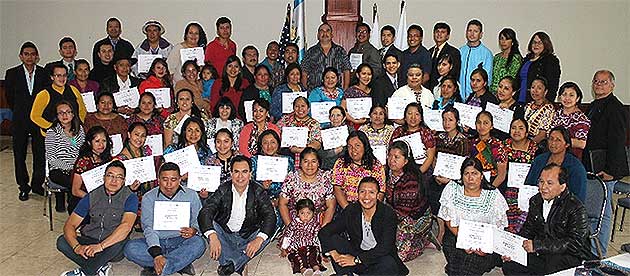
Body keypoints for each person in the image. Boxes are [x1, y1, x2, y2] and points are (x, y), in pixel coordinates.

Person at [502, 164, 595, 275]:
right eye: (541, 182)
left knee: (552, 265)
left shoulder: (575, 207)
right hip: (543, 251)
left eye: (549, 183)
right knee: (510, 264)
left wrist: (538, 246)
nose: (543, 187)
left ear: (562, 186)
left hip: (569, 255)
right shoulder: (536, 201)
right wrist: (514, 249)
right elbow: (528, 230)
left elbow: (575, 244)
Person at [199, 155, 277, 276]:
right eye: (236, 172)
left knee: (266, 235)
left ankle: (229, 266)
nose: (240, 177)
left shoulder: (258, 190)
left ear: (250, 174)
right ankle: (239, 263)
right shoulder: (223, 189)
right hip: (226, 235)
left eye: (244, 172)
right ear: (231, 174)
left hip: (248, 235)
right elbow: (206, 211)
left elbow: (270, 216)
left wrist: (258, 239)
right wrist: (212, 236)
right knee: (210, 226)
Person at [57, 161, 137, 276]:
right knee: (62, 241)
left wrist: (100, 247)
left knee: (122, 239)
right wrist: (77, 247)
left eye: (119, 177)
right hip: (91, 238)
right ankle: (100, 266)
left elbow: (126, 226)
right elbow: (70, 225)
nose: (114, 180)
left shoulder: (130, 197)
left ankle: (86, 272)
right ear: (104, 178)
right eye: (110, 176)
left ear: (124, 181)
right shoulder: (92, 195)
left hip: (112, 244)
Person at [124, 162, 205, 276]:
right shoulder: (149, 197)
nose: (169, 184)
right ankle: (178, 263)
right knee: (130, 248)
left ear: (179, 179)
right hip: (157, 241)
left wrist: (194, 230)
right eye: (165, 179)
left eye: (173, 179)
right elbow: (148, 227)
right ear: (158, 179)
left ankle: (162, 267)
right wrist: (157, 254)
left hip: (181, 239)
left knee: (199, 243)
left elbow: (198, 220)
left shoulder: (191, 195)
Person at [319, 177, 410, 276]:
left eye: (371, 192)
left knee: (389, 264)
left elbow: (385, 247)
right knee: (335, 239)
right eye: (362, 192)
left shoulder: (387, 214)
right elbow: (325, 231)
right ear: (357, 194)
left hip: (377, 258)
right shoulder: (352, 210)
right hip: (357, 253)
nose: (366, 197)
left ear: (378, 195)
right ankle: (345, 273)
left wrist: (357, 260)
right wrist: (334, 254)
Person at [584, 70, 630, 256]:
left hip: (606, 169)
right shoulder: (594, 105)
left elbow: (618, 142)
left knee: (602, 213)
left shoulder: (616, 108)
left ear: (612, 85)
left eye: (603, 82)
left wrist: (611, 170)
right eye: (596, 81)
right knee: (592, 210)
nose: (599, 85)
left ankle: (599, 253)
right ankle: (590, 249)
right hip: (592, 167)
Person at [438, 157, 508, 276]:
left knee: (468, 267)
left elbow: (499, 227)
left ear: (481, 176)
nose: (470, 178)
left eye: (475, 173)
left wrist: (485, 247)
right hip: (456, 235)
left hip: (485, 243)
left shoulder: (493, 194)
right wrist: (464, 240)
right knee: (459, 265)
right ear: (462, 176)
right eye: (467, 174)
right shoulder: (452, 188)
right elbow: (448, 219)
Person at [4, 41, 49, 201]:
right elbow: (10, 97)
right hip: (20, 120)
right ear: (21, 56)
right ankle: (23, 187)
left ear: (37, 57)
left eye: (32, 54)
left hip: (38, 120)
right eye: (26, 54)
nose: (30, 57)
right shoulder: (12, 73)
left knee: (40, 154)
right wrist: (20, 111)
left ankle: (37, 185)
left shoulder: (44, 73)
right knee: (19, 154)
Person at [385, 141, 432, 262]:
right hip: (394, 212)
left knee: (398, 257)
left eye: (397, 157)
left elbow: (402, 214)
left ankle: (422, 240)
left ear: (406, 161)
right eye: (390, 156)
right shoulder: (387, 173)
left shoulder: (411, 180)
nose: (392, 160)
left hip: (415, 217)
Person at [430, 107, 470, 242]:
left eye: (450, 120)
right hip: (439, 176)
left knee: (446, 194)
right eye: (444, 120)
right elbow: (434, 158)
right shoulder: (439, 137)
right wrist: (437, 174)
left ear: (457, 121)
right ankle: (439, 227)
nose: (447, 123)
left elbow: (463, 165)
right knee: (430, 191)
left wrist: (449, 180)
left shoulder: (462, 140)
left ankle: (442, 232)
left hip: (456, 179)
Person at [526, 126, 587, 201]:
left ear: (567, 144)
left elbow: (578, 198)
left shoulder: (575, 167)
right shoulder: (539, 160)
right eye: (551, 139)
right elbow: (528, 186)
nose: (553, 143)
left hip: (564, 208)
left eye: (558, 140)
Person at [279, 147, 335, 227]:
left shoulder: (326, 177)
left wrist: (323, 229)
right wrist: (290, 227)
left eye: (313, 161)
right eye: (306, 161)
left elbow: (331, 206)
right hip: (295, 221)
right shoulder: (292, 177)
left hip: (320, 222)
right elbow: (282, 204)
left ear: (318, 163)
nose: (309, 165)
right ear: (300, 163)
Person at [45, 101, 85, 213]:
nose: (64, 115)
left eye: (68, 112)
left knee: (81, 182)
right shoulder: (52, 132)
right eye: (61, 113)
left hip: (78, 169)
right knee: (76, 185)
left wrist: (78, 168)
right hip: (58, 170)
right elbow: (52, 159)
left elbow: (83, 152)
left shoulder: (80, 129)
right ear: (57, 116)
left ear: (73, 114)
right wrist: (71, 168)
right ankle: (74, 213)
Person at [501, 118, 538, 233]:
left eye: (521, 128)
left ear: (527, 133)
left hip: (528, 187)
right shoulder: (504, 145)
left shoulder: (536, 148)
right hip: (507, 185)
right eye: (513, 128)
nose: (517, 131)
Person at [115, 123, 155, 228]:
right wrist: (130, 188)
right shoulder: (119, 159)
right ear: (129, 135)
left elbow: (151, 176)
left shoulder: (146, 151)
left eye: (143, 136)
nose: (139, 139)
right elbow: (114, 187)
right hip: (128, 196)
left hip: (146, 193)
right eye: (136, 134)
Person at [333, 131, 386, 209]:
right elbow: (337, 188)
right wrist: (348, 210)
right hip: (346, 206)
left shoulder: (375, 165)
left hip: (370, 206)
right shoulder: (341, 163)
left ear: (365, 146)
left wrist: (368, 209)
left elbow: (381, 192)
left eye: (357, 146)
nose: (353, 150)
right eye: (349, 146)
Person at [31, 63, 87, 136]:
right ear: (52, 77)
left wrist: (78, 124)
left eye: (64, 75)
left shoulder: (73, 90)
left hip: (73, 133)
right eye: (58, 75)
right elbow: (35, 116)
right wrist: (52, 127)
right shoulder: (44, 94)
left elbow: (82, 109)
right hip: (51, 135)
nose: (62, 78)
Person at [70, 126, 113, 214]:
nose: (101, 145)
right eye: (97, 141)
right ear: (89, 143)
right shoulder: (84, 161)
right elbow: (75, 190)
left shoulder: (107, 159)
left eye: (104, 141)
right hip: (84, 199)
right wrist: (94, 200)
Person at [251, 130, 295, 216]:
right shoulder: (254, 161)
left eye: (273, 142)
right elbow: (248, 184)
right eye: (265, 143)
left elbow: (293, 184)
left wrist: (280, 200)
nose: (269, 146)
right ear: (261, 145)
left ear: (278, 144)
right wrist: (261, 186)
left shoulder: (288, 161)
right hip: (259, 201)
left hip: (283, 202)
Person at [279, 198, 325, 276]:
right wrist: (284, 248)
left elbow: (319, 238)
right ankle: (304, 270)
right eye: (302, 213)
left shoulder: (315, 224)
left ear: (313, 213)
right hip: (297, 246)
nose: (305, 216)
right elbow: (288, 235)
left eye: (308, 213)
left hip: (311, 245)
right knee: (298, 257)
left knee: (313, 256)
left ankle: (316, 270)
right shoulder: (294, 223)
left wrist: (322, 253)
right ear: (297, 213)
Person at [389, 103, 437, 175]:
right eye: (410, 113)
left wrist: (417, 174)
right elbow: (391, 151)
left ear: (421, 118)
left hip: (421, 170)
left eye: (417, 114)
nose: (413, 117)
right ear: (405, 117)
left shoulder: (426, 133)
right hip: (399, 169)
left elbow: (430, 157)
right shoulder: (398, 131)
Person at [302, 23, 351, 90]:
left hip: (336, 94)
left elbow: (346, 71)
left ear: (332, 35)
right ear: (318, 35)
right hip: (315, 93)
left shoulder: (340, 51)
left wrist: (345, 91)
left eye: (328, 31)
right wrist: (305, 91)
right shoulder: (310, 52)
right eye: (322, 31)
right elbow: (304, 72)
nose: (325, 33)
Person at [276, 96, 322, 168]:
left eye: (303, 106)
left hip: (306, 157)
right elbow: (276, 135)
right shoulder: (285, 120)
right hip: (285, 155)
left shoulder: (314, 124)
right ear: (293, 108)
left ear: (308, 109)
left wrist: (299, 150)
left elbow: (317, 144)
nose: (300, 109)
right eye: (297, 106)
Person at [517, 32, 561, 103]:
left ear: (546, 44)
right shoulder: (527, 59)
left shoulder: (551, 60)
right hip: (520, 98)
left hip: (538, 101)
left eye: (540, 43)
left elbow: (553, 85)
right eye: (534, 42)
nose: (536, 45)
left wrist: (547, 102)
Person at [551, 82, 590, 159]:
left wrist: (560, 142)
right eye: (564, 94)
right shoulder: (557, 113)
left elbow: (582, 144)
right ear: (559, 97)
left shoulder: (581, 118)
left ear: (577, 98)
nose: (567, 98)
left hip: (571, 157)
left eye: (571, 95)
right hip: (554, 154)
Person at [469, 111, 508, 189]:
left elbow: (501, 175)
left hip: (493, 183)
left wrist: (489, 189)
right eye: (479, 123)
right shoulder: (471, 143)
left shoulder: (497, 145)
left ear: (491, 126)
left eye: (486, 123)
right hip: (473, 180)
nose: (482, 126)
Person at [459, 19, 493, 100]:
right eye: (470, 30)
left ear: (481, 34)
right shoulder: (460, 51)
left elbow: (487, 79)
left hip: (477, 98)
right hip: (459, 97)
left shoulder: (487, 53)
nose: (472, 34)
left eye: (475, 31)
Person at [428, 22, 461, 90]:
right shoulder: (429, 51)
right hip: (429, 90)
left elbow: (454, 73)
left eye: (442, 32)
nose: (439, 34)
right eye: (437, 31)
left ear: (448, 36)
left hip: (444, 89)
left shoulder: (454, 52)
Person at [524, 77, 555, 144]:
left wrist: (527, 145)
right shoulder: (528, 105)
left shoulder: (548, 108)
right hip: (523, 139)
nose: (535, 91)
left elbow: (542, 135)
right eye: (533, 87)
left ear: (545, 91)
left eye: (539, 88)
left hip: (537, 143)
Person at [491, 28, 522, 94]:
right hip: (492, 93)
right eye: (501, 38)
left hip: (506, 94)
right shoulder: (496, 57)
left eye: (507, 39)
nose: (503, 41)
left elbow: (512, 79)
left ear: (512, 42)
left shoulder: (516, 59)